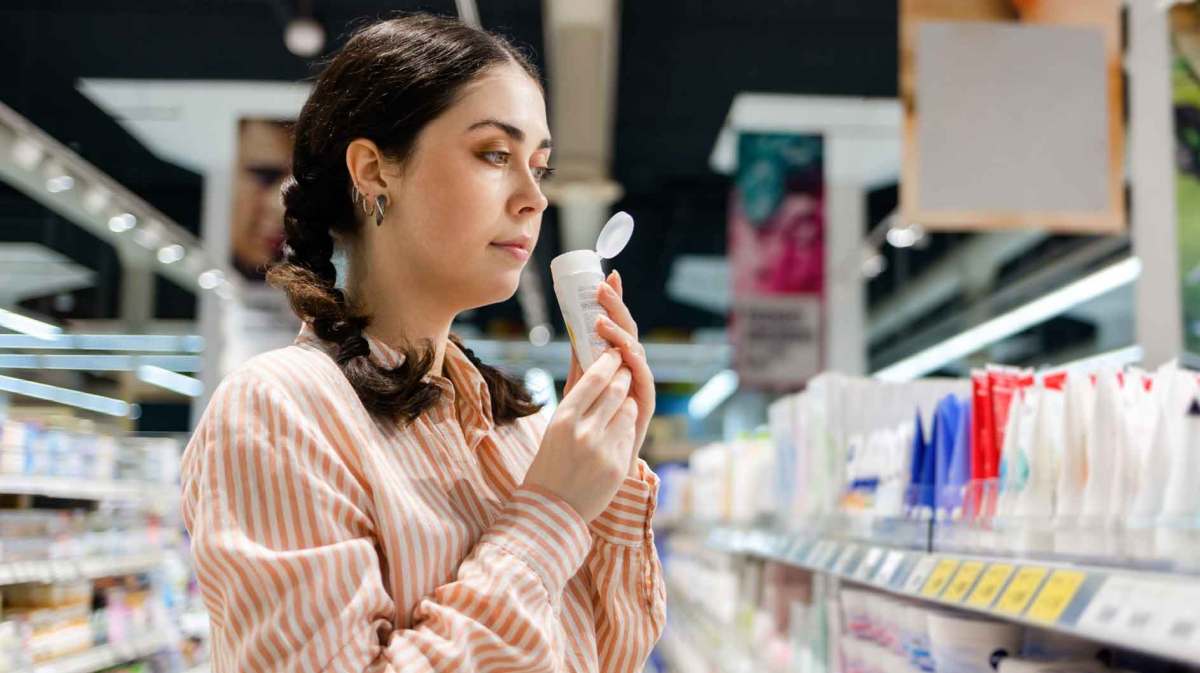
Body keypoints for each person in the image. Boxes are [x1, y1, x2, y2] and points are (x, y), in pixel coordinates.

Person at [180, 14, 663, 673]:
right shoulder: (279, 410)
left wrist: (606, 469)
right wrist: (551, 511)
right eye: (495, 154)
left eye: (541, 168)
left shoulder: (514, 432)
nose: (533, 199)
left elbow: (606, 654)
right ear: (375, 169)